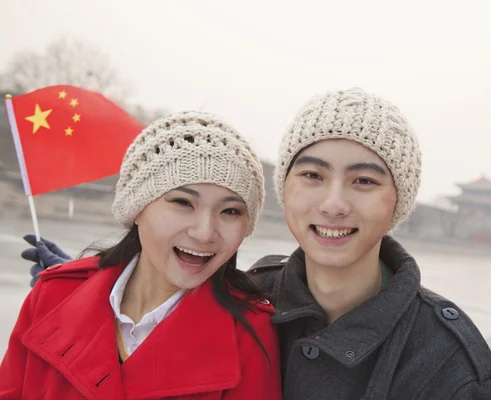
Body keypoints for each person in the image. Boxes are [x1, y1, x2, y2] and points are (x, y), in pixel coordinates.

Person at [20, 88, 491, 399]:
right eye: (312, 175)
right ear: (285, 191)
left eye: (363, 182)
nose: (333, 204)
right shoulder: (247, 292)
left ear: (398, 202)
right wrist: (82, 294)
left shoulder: (448, 365)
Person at [1, 111, 281, 399]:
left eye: (230, 211)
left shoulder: (251, 333)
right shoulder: (52, 295)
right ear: (137, 207)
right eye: (183, 202)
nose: (205, 233)